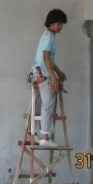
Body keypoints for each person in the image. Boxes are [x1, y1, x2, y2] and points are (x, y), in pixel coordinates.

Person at [29, 9, 68, 147]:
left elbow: (49, 60)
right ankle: (45, 136)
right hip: (42, 74)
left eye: (62, 24)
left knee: (40, 104)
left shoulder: (47, 35)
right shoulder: (50, 37)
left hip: (37, 73)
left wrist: (58, 72)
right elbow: (46, 58)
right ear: (51, 23)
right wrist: (53, 78)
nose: (61, 26)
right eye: (58, 24)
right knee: (48, 104)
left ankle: (34, 132)